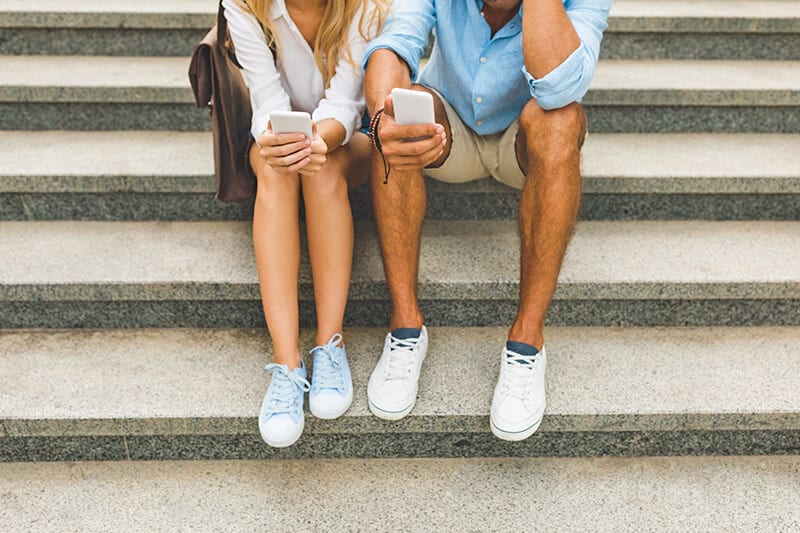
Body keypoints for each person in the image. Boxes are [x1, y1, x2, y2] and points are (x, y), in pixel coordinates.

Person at [362, 0, 611, 440]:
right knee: (399, 111)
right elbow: (394, 44)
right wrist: (382, 116)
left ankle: (527, 340)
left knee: (561, 119)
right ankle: (405, 327)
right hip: (450, 130)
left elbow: (557, 88)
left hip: (525, 141)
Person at [222, 0, 388, 447]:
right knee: (277, 174)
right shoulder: (244, 6)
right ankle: (287, 363)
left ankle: (330, 343)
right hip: (276, 140)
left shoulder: (367, 6)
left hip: (343, 140)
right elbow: (266, 97)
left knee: (324, 171)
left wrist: (318, 141)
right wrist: (281, 143)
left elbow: (347, 102)